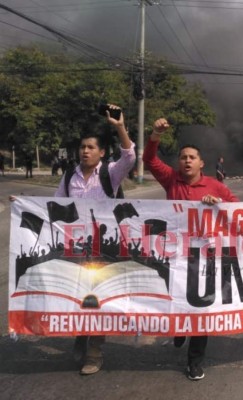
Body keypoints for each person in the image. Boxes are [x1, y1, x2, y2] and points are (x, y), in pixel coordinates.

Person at [143, 117, 238, 381]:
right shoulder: (170, 179)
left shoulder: (214, 185)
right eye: (183, 157)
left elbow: (237, 209)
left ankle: (195, 361)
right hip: (174, 256)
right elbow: (149, 160)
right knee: (175, 300)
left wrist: (217, 202)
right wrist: (155, 135)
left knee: (200, 308)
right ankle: (178, 330)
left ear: (201, 163)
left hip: (204, 258)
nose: (186, 161)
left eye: (192, 157)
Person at [54, 104, 135, 375]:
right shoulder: (69, 177)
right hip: (76, 250)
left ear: (101, 152)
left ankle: (95, 352)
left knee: (99, 300)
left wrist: (119, 127)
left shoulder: (109, 174)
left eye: (91, 147)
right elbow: (51, 207)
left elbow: (130, 157)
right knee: (78, 297)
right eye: (82, 147)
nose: (85, 151)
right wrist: (22, 203)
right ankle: (81, 334)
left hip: (105, 250)